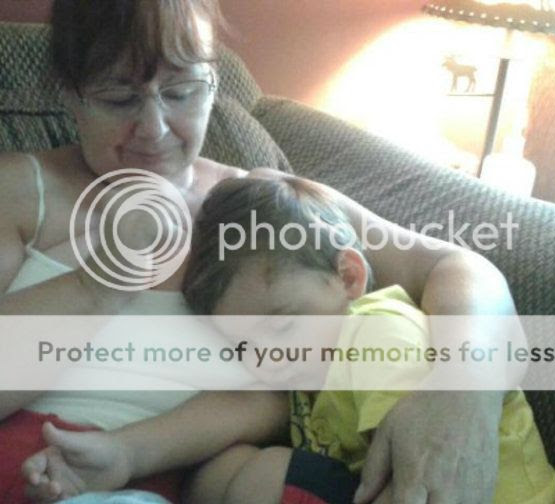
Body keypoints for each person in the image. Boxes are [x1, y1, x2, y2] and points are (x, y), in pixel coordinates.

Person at [0, 0, 525, 503]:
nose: (154, 129)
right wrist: (101, 281)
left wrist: (463, 390)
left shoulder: (260, 207)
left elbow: (460, 266)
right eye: (119, 99)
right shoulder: (24, 192)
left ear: (213, 83)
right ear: (69, 94)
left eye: (182, 92)